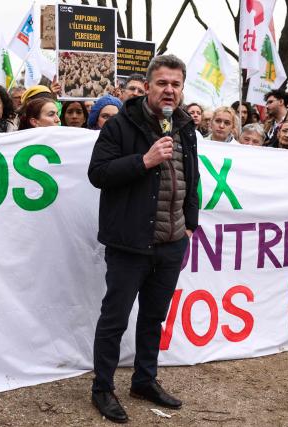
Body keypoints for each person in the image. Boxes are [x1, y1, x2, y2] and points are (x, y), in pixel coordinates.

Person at [88, 54, 199, 423]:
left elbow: (192, 178)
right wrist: (144, 160)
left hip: (172, 242)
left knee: (154, 317)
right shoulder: (119, 126)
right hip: (130, 243)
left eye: (176, 84)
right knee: (114, 319)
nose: (169, 90)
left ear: (182, 89)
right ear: (148, 86)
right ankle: (102, 388)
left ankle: (144, 380)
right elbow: (98, 174)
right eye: (162, 83)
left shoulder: (184, 127)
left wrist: (190, 223)